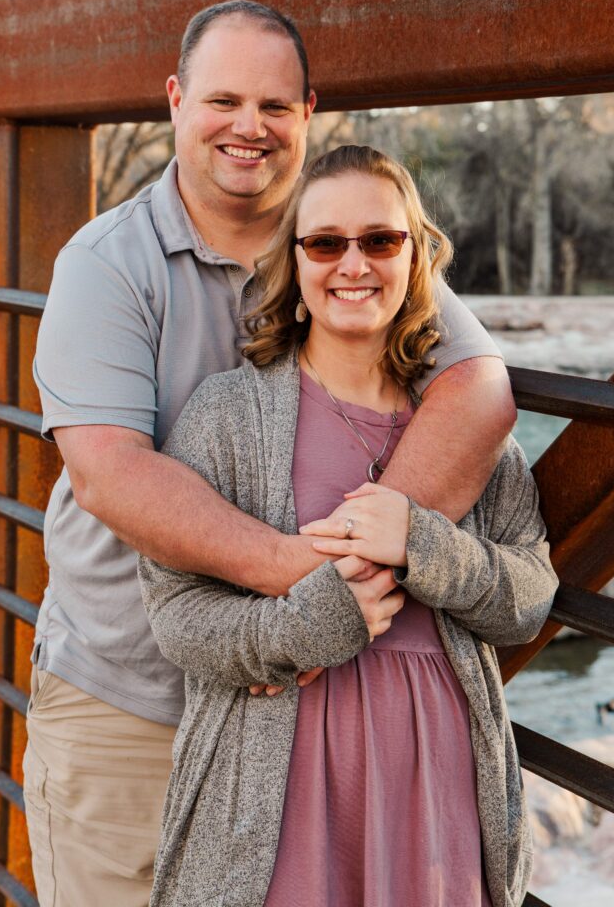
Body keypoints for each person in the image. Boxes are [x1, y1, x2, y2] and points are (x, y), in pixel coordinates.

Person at [25, 1, 515, 907]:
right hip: (134, 702)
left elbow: (477, 388)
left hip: (305, 710)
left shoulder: (345, 244)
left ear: (308, 113)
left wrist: (331, 605)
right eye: (222, 99)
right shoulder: (106, 262)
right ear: (174, 101)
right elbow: (107, 472)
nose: (248, 127)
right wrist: (308, 588)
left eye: (275, 106)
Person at [138, 144, 557, 907]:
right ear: (294, 265)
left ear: (414, 257)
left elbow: (527, 598)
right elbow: (177, 618)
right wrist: (298, 629)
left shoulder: (467, 437)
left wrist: (422, 544)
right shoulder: (226, 416)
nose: (352, 264)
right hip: (278, 779)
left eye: (380, 240)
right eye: (326, 243)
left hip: (436, 783)